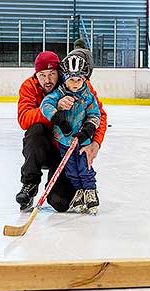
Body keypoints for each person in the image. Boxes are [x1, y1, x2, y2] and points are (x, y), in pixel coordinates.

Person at [16, 49, 107, 213]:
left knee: (60, 203)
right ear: (36, 74)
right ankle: (29, 184)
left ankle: (78, 192)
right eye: (42, 75)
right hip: (46, 147)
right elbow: (24, 119)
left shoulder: (77, 83)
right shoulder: (29, 86)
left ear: (60, 72)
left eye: (51, 74)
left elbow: (99, 115)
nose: (47, 79)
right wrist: (54, 109)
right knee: (35, 130)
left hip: (69, 150)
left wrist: (95, 143)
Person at [40, 53, 100, 215]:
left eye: (79, 79)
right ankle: (78, 193)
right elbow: (45, 105)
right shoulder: (58, 93)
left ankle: (90, 191)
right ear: (64, 78)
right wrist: (58, 118)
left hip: (83, 141)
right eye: (71, 79)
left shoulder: (88, 95)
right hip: (65, 141)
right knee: (71, 169)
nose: (75, 83)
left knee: (84, 168)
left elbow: (95, 114)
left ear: (84, 79)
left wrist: (89, 128)